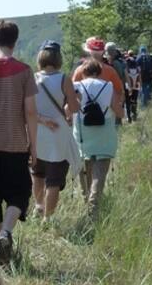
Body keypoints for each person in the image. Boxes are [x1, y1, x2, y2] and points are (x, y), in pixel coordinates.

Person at [0, 20, 38, 264]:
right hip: (15, 143)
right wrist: (34, 146)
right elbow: (31, 112)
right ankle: (6, 231)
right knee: (20, 192)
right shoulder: (24, 71)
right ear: (15, 40)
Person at [31, 41, 80, 222]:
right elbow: (74, 108)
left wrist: (42, 120)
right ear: (58, 58)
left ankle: (38, 206)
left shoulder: (32, 78)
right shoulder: (64, 79)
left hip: (37, 131)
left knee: (38, 173)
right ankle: (48, 218)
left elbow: (26, 110)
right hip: (58, 132)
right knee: (54, 179)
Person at [73, 59, 119, 216]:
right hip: (104, 132)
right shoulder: (109, 86)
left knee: (85, 166)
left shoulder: (77, 86)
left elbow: (70, 108)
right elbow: (118, 111)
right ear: (99, 71)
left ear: (83, 72)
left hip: (82, 132)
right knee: (100, 169)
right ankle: (94, 203)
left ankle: (86, 198)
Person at [71, 37, 124, 121]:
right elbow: (119, 92)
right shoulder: (111, 71)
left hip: (83, 117)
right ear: (103, 52)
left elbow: (71, 94)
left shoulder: (79, 70)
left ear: (88, 52)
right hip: (106, 116)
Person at [105, 43, 128, 128]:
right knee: (117, 107)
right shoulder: (117, 63)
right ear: (114, 51)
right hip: (115, 90)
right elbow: (121, 78)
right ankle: (117, 126)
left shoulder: (102, 63)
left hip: (105, 90)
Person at [124, 50, 140, 123]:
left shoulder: (126, 64)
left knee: (128, 101)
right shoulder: (137, 64)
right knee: (134, 100)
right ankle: (134, 114)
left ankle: (129, 117)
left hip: (128, 86)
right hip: (136, 85)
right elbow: (140, 76)